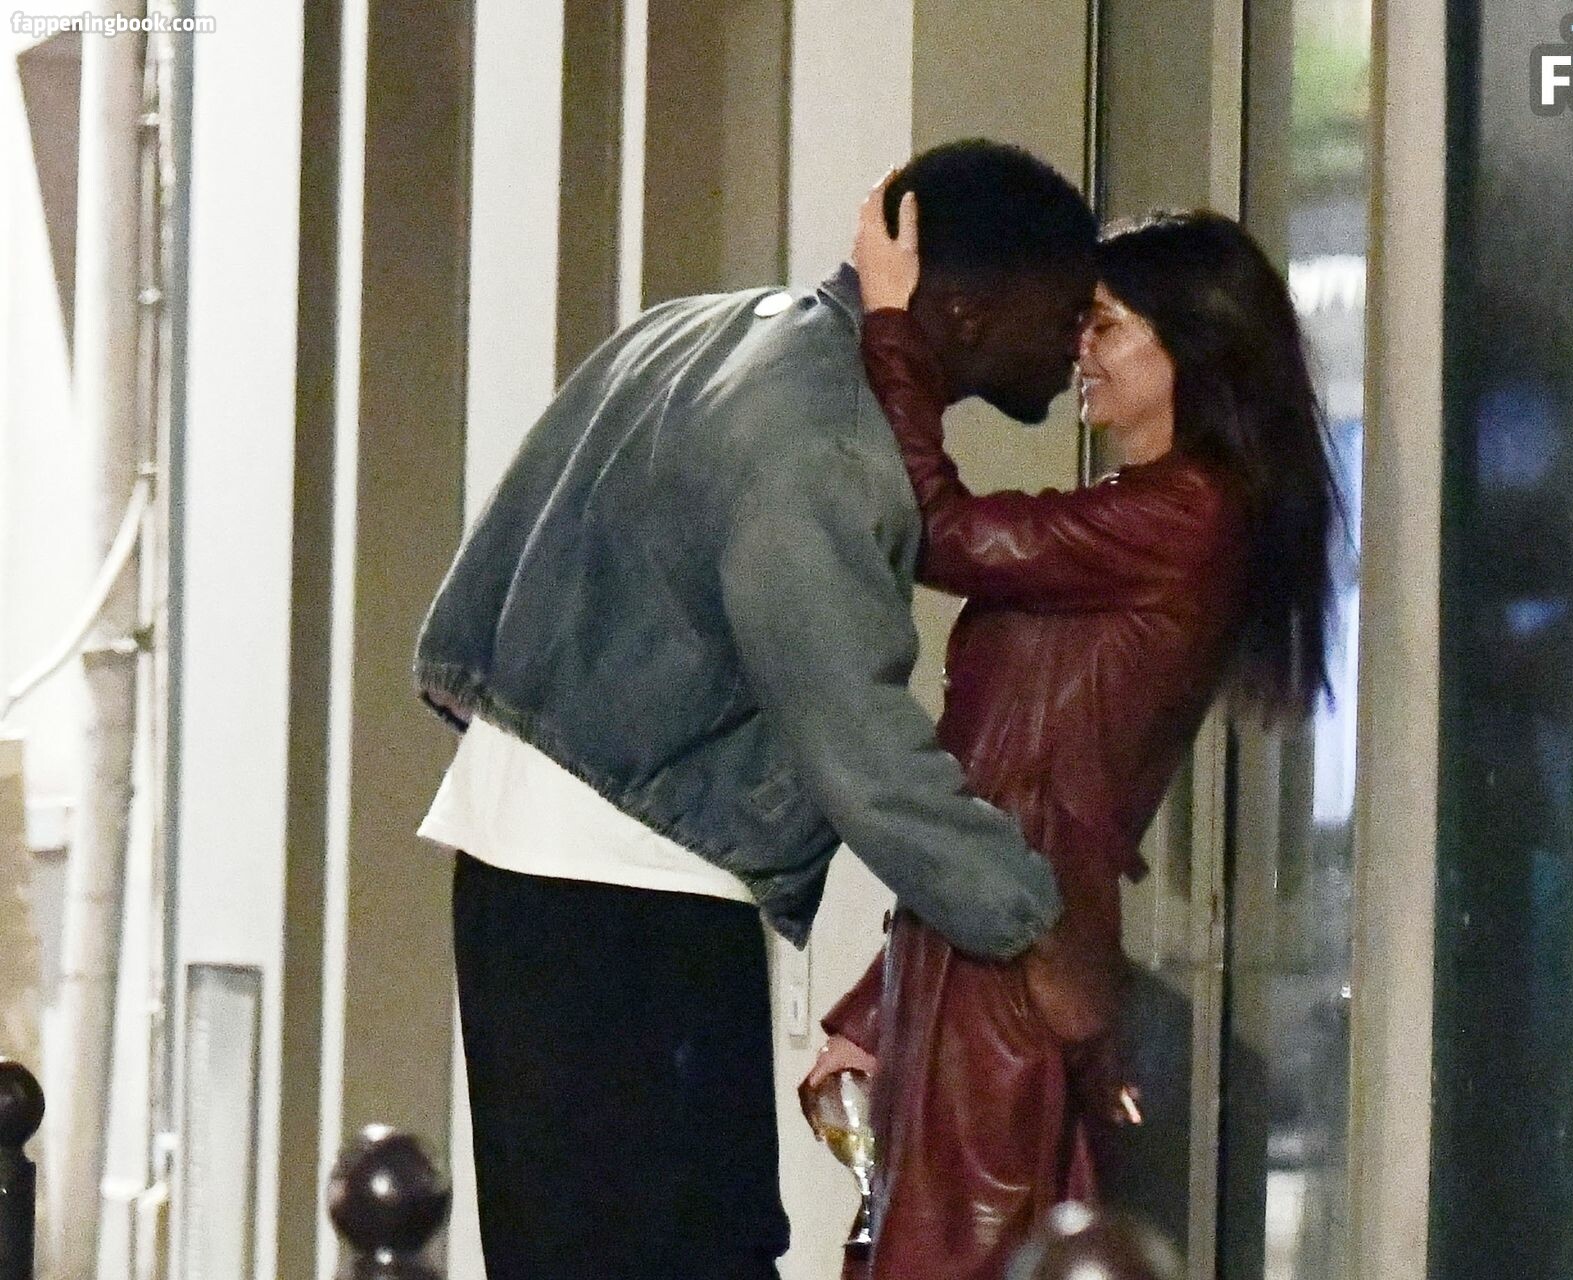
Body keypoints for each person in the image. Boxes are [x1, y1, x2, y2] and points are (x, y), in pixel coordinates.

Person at [411, 140, 1098, 1280]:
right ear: (968, 311)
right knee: (695, 1252)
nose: (1075, 343)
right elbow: (866, 756)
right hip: (636, 896)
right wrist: (1033, 924)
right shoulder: (823, 441)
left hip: (521, 852)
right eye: (1066, 312)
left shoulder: (698, 329)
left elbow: (497, 564)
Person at [804, 185, 1337, 1280]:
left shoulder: (1187, 513)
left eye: (1104, 324)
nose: (1075, 348)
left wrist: (894, 327)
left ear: (1191, 347)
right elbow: (1006, 786)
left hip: (1008, 970)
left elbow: (941, 531)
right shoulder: (1166, 508)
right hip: (988, 950)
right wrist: (877, 1004)